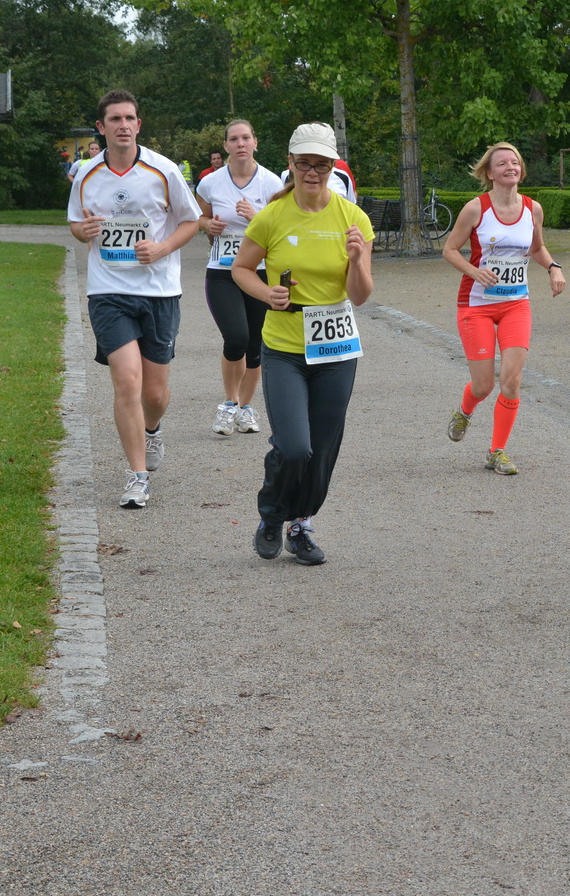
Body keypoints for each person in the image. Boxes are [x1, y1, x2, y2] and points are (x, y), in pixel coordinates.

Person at [232, 123, 374, 565]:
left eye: (322, 164)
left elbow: (361, 295)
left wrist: (356, 260)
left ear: (334, 167)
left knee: (323, 448)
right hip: (286, 348)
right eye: (304, 163)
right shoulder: (272, 216)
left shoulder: (354, 219)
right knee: (295, 446)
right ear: (290, 165)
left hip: (336, 350)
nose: (313, 172)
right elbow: (240, 269)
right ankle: (272, 514)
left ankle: (301, 525)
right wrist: (265, 293)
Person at [67, 90, 203, 509]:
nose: (123, 125)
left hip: (159, 291)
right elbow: (75, 223)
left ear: (138, 125)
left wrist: (162, 249)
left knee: (155, 393)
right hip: (108, 291)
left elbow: (192, 220)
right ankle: (137, 475)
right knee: (126, 379)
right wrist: (84, 232)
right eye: (115, 119)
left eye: (130, 118)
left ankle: (154, 428)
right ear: (102, 127)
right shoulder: (87, 173)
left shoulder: (162, 170)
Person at [441, 142, 566, 474]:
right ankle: (465, 410)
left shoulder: (532, 209)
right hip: (476, 305)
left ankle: (497, 451)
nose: (510, 167)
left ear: (521, 169)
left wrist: (553, 267)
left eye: (515, 162)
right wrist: (473, 271)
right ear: (489, 172)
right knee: (483, 385)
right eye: (502, 163)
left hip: (515, 304)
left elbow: (537, 248)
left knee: (511, 379)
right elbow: (450, 250)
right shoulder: (475, 209)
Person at [195, 119, 281, 436]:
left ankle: (244, 409)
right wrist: (208, 226)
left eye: (246, 137)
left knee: (255, 344)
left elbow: (282, 229)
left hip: (260, 273)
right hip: (223, 272)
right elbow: (198, 217)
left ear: (255, 142)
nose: (241, 143)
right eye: (234, 139)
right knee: (236, 338)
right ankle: (229, 404)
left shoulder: (272, 184)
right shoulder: (211, 183)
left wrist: (256, 218)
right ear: (226, 146)